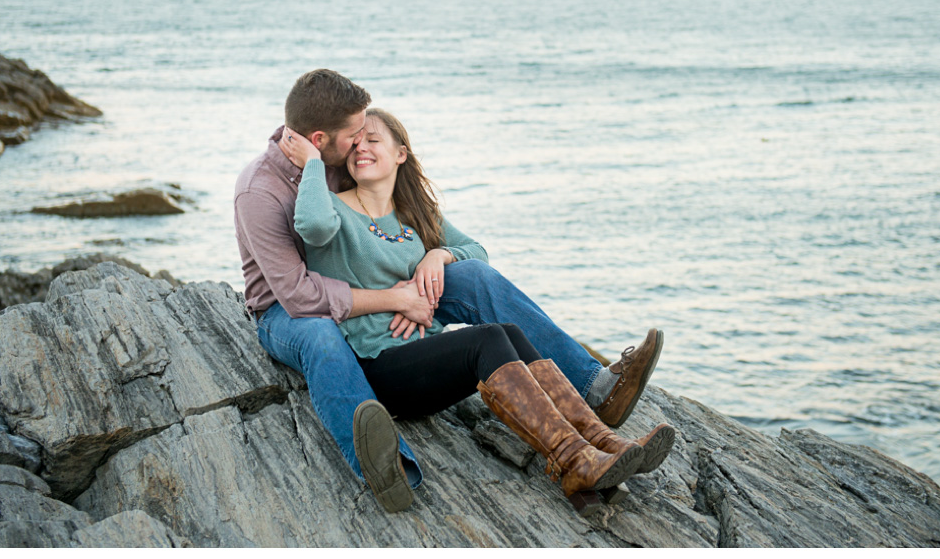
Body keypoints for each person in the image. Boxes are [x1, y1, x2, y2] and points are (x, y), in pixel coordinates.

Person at [234, 69, 668, 513]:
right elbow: (300, 295)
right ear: (321, 139)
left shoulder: (348, 171)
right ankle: (387, 465)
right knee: (322, 338)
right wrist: (399, 299)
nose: (360, 145)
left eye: (371, 137)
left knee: (487, 298)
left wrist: (434, 257)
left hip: (377, 304)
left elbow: (459, 244)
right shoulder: (264, 190)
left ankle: (598, 418)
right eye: (354, 137)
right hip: (286, 310)